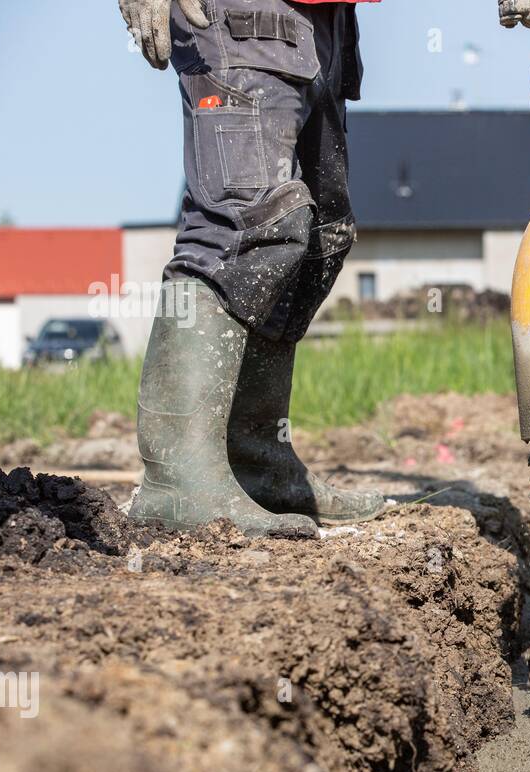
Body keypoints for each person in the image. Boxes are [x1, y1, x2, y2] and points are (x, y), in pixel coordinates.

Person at [118, 0, 382, 534]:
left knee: (317, 241)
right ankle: (178, 481)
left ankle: (254, 464)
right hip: (238, 17)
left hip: (328, 24)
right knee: (244, 228)